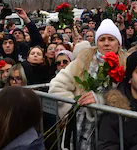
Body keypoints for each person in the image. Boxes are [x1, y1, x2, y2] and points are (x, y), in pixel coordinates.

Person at [49, 19, 127, 149]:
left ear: (118, 43)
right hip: (78, 131)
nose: (106, 43)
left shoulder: (126, 63)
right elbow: (57, 85)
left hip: (111, 132)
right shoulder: (83, 61)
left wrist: (100, 102)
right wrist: (74, 110)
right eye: (102, 39)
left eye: (111, 39)